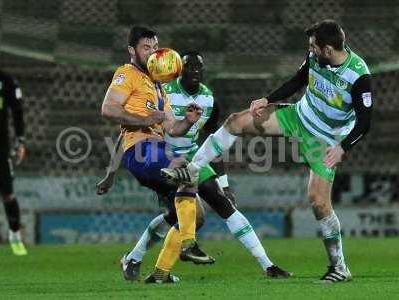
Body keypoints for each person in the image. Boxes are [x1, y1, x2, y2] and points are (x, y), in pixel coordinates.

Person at [162, 19, 373, 283]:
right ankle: (192, 169)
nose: (311, 50)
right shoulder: (316, 58)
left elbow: (365, 121)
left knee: (319, 202)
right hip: (298, 116)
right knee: (236, 121)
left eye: (314, 46)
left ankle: (339, 268)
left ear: (329, 49)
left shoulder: (358, 74)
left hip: (325, 140)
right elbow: (298, 80)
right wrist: (267, 99)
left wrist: (343, 147)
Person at [98, 52, 291, 283]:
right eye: (190, 66)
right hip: (163, 158)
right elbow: (127, 132)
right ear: (180, 69)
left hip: (193, 156)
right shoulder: (163, 91)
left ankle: (267, 264)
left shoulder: (208, 100)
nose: (195, 71)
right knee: (177, 217)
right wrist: (111, 172)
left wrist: (224, 182)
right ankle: (141, 259)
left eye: (199, 67)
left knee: (221, 203)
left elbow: (214, 141)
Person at [101, 26, 212, 284]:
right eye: (145, 47)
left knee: (194, 216)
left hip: (158, 152)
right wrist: (146, 119)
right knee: (186, 168)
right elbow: (108, 109)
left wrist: (188, 120)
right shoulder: (126, 74)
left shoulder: (159, 87)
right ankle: (188, 245)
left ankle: (147, 265)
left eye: (154, 47)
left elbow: (172, 127)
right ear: (132, 50)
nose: (152, 53)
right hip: (143, 150)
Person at [0, 69, 27, 256]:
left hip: (0, 148)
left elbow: (17, 112)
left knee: (8, 193)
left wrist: (20, 141)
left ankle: (15, 234)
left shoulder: (6, 80)